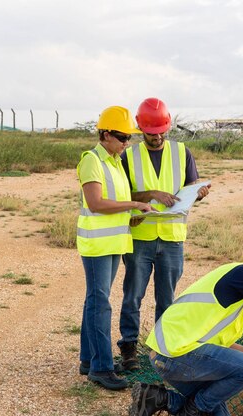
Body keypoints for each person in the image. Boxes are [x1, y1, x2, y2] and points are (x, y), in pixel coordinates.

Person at [128, 247, 243, 416]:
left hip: (170, 355)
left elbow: (220, 343)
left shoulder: (236, 291)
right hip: (173, 356)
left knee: (218, 413)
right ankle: (186, 408)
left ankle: (159, 399)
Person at [117, 97, 210, 371]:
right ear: (140, 129)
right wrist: (152, 194)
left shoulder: (183, 152)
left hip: (172, 238)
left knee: (167, 299)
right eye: (150, 133)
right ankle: (129, 347)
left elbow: (190, 190)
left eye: (160, 132)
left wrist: (199, 194)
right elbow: (121, 196)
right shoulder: (128, 156)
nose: (155, 138)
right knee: (133, 295)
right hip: (140, 237)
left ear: (167, 128)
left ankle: (161, 351)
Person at [77, 106, 154, 391]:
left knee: (95, 301)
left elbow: (115, 202)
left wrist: (134, 214)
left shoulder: (114, 161)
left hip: (113, 242)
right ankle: (101, 368)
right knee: (100, 304)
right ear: (105, 134)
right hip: (97, 244)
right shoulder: (91, 161)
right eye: (122, 137)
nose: (126, 144)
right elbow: (96, 203)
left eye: (129, 138)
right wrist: (132, 204)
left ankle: (88, 360)